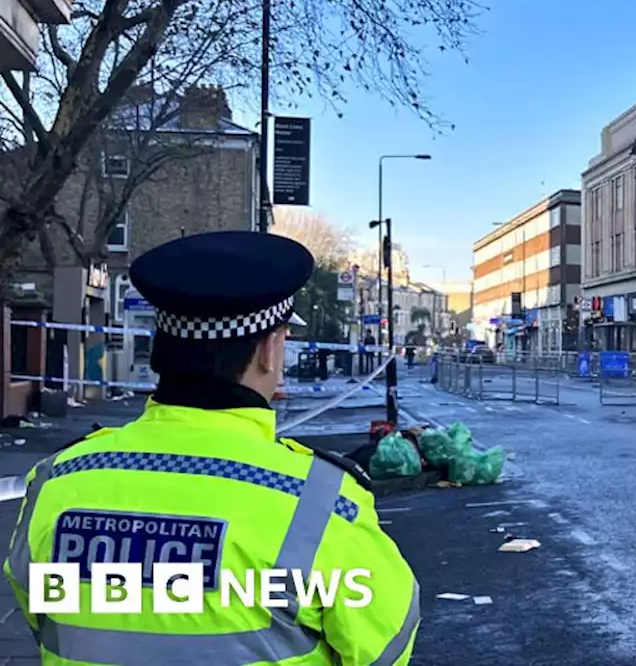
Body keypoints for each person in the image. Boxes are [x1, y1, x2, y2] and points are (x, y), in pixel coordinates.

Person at [3, 231, 420, 665]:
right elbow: (387, 647)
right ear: (269, 351)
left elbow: (39, 614)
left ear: (162, 348)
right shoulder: (324, 504)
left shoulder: (58, 480)